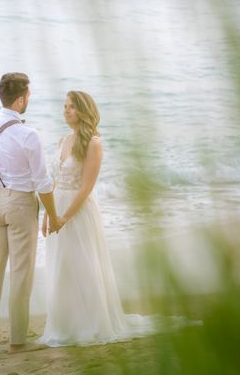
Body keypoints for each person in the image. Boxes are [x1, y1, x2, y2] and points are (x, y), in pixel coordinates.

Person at [37, 91, 156, 346]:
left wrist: (65, 218)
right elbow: (56, 182)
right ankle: (65, 324)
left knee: (84, 264)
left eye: (71, 107)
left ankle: (91, 323)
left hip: (79, 212)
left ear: (83, 111)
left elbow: (87, 187)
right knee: (62, 266)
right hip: (58, 207)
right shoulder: (63, 140)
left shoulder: (93, 142)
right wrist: (48, 215)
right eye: (65, 106)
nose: (66, 110)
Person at [0, 72, 59, 355]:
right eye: (29, 96)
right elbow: (43, 182)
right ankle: (17, 341)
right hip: (20, 204)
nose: (29, 100)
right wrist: (54, 216)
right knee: (21, 271)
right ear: (21, 99)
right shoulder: (28, 134)